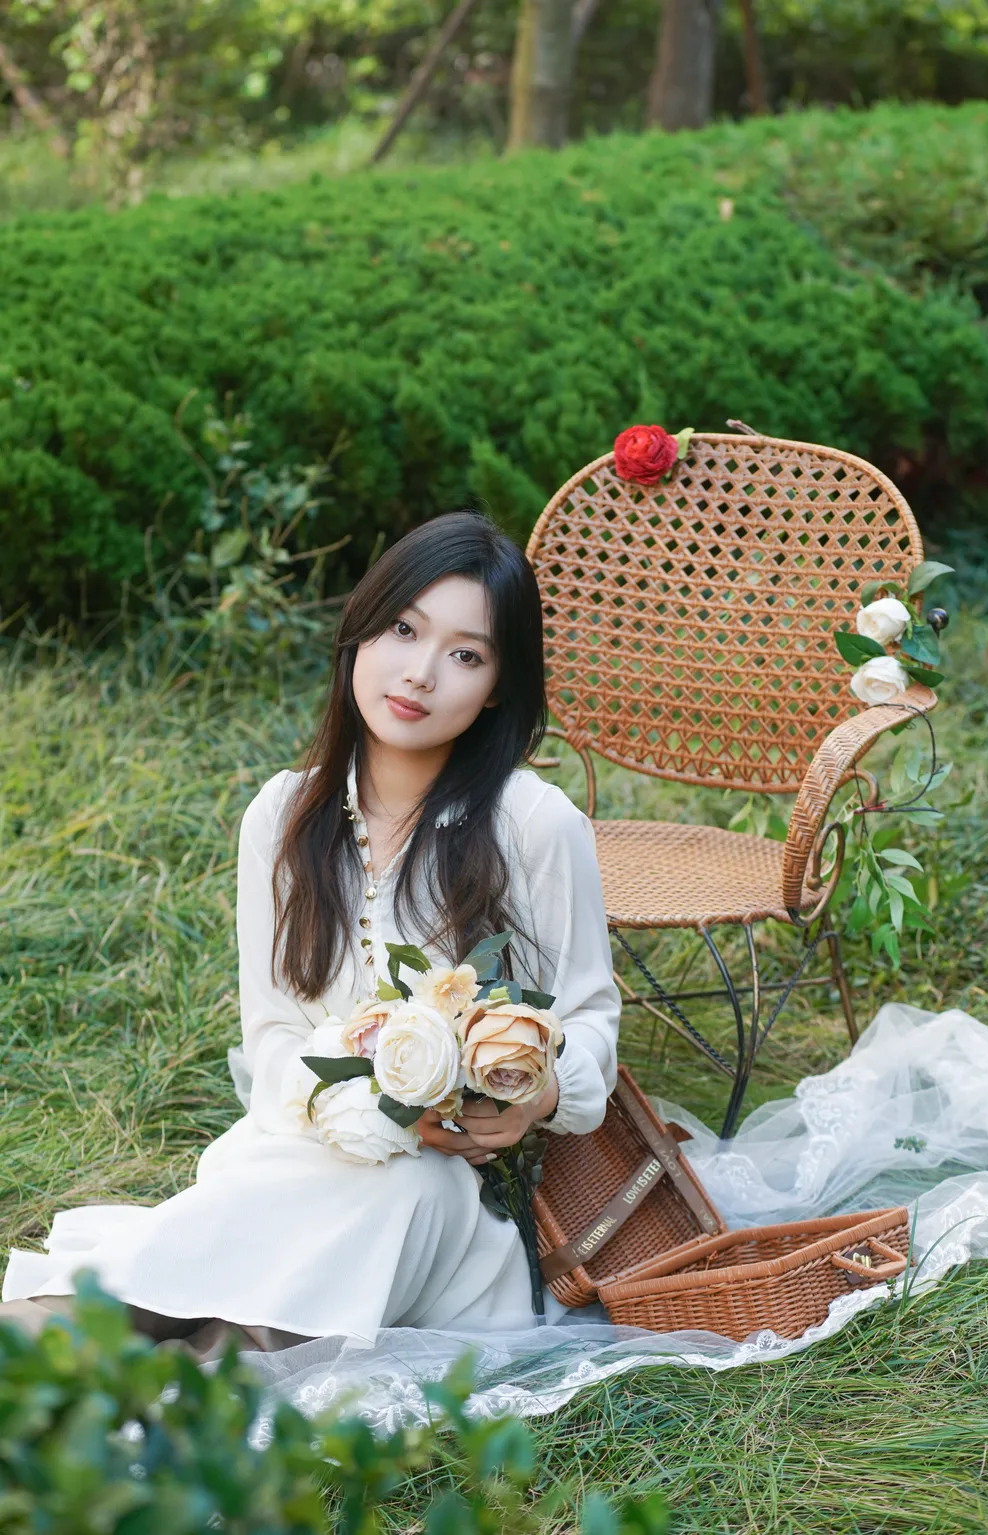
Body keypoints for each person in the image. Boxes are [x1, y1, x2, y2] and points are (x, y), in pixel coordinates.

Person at [1, 513, 620, 1354]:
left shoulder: (536, 825)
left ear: (499, 687)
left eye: (466, 655)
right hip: (301, 1147)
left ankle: (149, 1364)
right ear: (361, 627)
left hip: (453, 1190)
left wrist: (533, 1096)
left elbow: (590, 1024)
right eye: (404, 630)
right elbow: (272, 1037)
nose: (420, 672)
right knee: (295, 1198)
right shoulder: (283, 815)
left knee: (406, 1190)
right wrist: (361, 1105)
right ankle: (75, 1332)